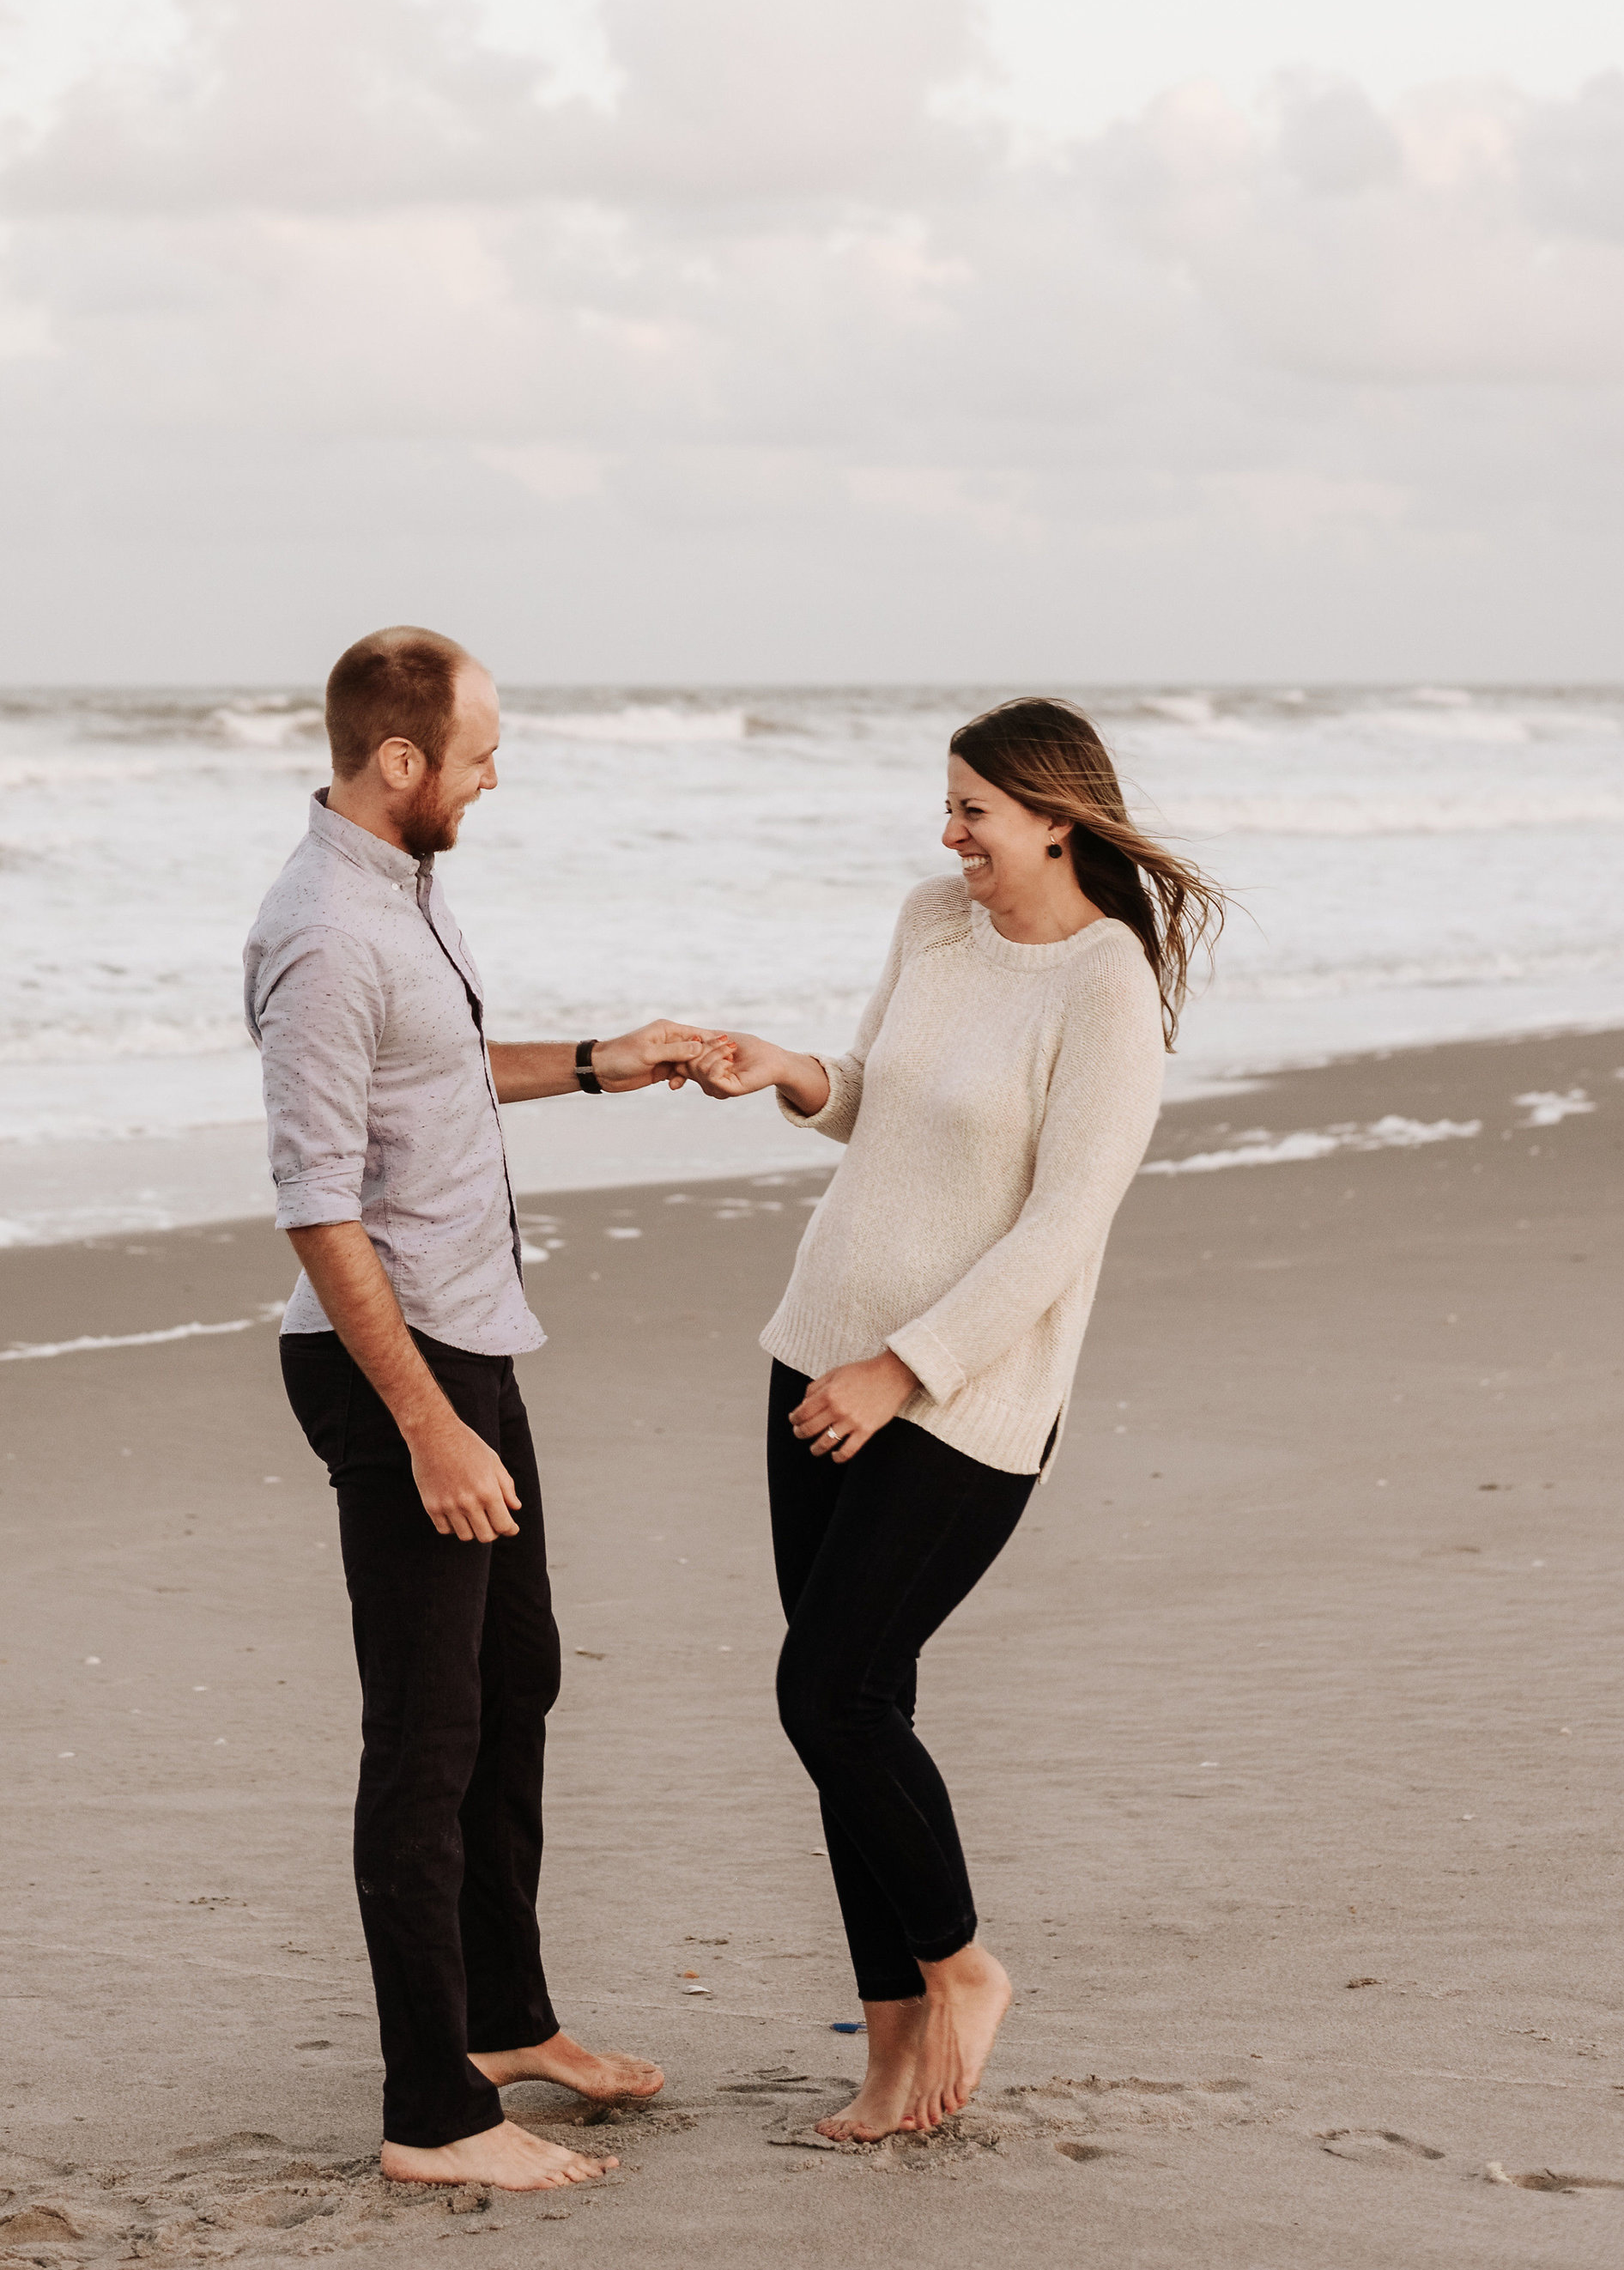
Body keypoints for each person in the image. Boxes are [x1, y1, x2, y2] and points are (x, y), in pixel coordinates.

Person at [691, 695, 1224, 2143]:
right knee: (856, 1717)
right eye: (947, 804)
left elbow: (1064, 1222)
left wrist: (904, 1370)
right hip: (816, 1349)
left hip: (962, 1397)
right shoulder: (935, 919)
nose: (949, 834)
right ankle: (886, 2059)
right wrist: (790, 1072)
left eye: (974, 809)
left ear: (1057, 817)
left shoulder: (1108, 987)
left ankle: (966, 1965)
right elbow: (873, 1100)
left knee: (832, 1691)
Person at [245, 624, 716, 2195]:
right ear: (402, 763)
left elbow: (434, 1075)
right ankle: (428, 2113)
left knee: (518, 1674)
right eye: (480, 750)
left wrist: (603, 1060)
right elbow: (319, 1205)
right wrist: (430, 1428)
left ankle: (503, 2021)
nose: (494, 774)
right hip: (398, 1365)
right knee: (427, 1736)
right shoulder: (323, 933)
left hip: (469, 1340)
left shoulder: (403, 897)